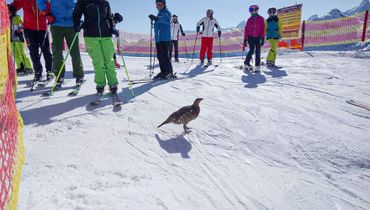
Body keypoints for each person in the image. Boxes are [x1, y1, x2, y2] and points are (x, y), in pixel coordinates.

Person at [73, 0, 120, 98]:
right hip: (91, 35)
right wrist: (77, 24)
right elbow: (76, 14)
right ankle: (100, 84)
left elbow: (109, 17)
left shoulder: (105, 3)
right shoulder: (83, 2)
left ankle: (113, 84)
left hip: (106, 35)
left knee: (109, 60)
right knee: (98, 61)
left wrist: (113, 28)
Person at [37, 0, 85, 87]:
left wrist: (79, 19)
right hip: (56, 24)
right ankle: (59, 76)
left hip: (71, 24)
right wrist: (47, 14)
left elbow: (81, 3)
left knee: (75, 51)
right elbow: (40, 1)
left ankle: (79, 75)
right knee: (57, 51)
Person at [8, 0, 53, 82]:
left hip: (42, 29)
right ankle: (38, 72)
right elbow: (16, 4)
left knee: (46, 51)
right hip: (29, 30)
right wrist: (10, 9)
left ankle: (49, 71)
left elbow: (50, 7)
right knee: (33, 52)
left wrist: (51, 16)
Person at [149, 0, 176, 80]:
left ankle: (169, 72)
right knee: (159, 56)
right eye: (157, 4)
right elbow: (158, 24)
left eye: (160, 4)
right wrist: (154, 21)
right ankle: (163, 71)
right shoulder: (159, 13)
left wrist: (156, 18)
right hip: (159, 38)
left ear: (164, 4)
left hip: (165, 37)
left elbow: (166, 20)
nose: (158, 6)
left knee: (164, 55)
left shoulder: (166, 12)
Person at [8, 5, 33, 75]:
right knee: (15, 54)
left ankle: (28, 67)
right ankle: (20, 66)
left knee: (21, 53)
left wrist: (18, 31)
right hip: (12, 39)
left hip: (18, 38)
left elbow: (22, 27)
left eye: (9, 11)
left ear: (12, 11)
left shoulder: (17, 18)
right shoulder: (8, 19)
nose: (8, 13)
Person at [243, 5, 265, 72]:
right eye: (250, 10)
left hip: (258, 37)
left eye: (252, 10)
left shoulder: (261, 18)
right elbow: (246, 30)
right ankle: (246, 63)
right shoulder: (249, 20)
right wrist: (245, 39)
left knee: (258, 51)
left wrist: (262, 38)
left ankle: (257, 66)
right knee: (252, 50)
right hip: (250, 37)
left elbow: (263, 29)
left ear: (256, 10)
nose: (251, 12)